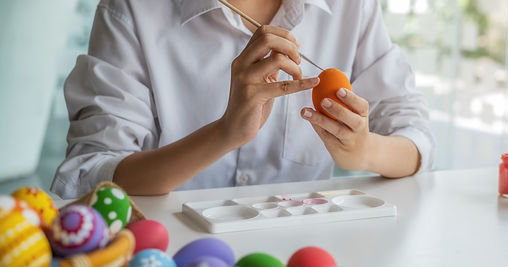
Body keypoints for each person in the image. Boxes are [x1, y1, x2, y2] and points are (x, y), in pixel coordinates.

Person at [50, 0, 434, 199]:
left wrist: (364, 151)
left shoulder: (351, 7)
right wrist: (224, 133)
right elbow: (89, 175)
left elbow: (415, 134)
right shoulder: (134, 10)